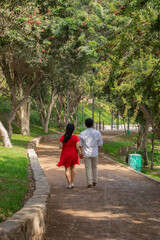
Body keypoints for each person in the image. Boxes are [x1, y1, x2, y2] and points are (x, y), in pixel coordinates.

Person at [79, 118, 103, 189]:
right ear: (92, 124)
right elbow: (100, 144)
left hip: (86, 153)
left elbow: (80, 145)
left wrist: (80, 153)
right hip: (95, 152)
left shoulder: (82, 133)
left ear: (85, 124)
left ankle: (89, 183)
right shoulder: (97, 133)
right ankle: (95, 181)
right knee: (95, 167)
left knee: (88, 168)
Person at [57, 123, 81, 189]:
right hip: (73, 154)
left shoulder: (63, 137)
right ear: (73, 129)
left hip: (65, 154)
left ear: (66, 129)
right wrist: (79, 153)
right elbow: (77, 147)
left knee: (67, 169)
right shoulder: (76, 137)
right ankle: (73, 183)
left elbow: (60, 147)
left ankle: (69, 184)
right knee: (73, 168)